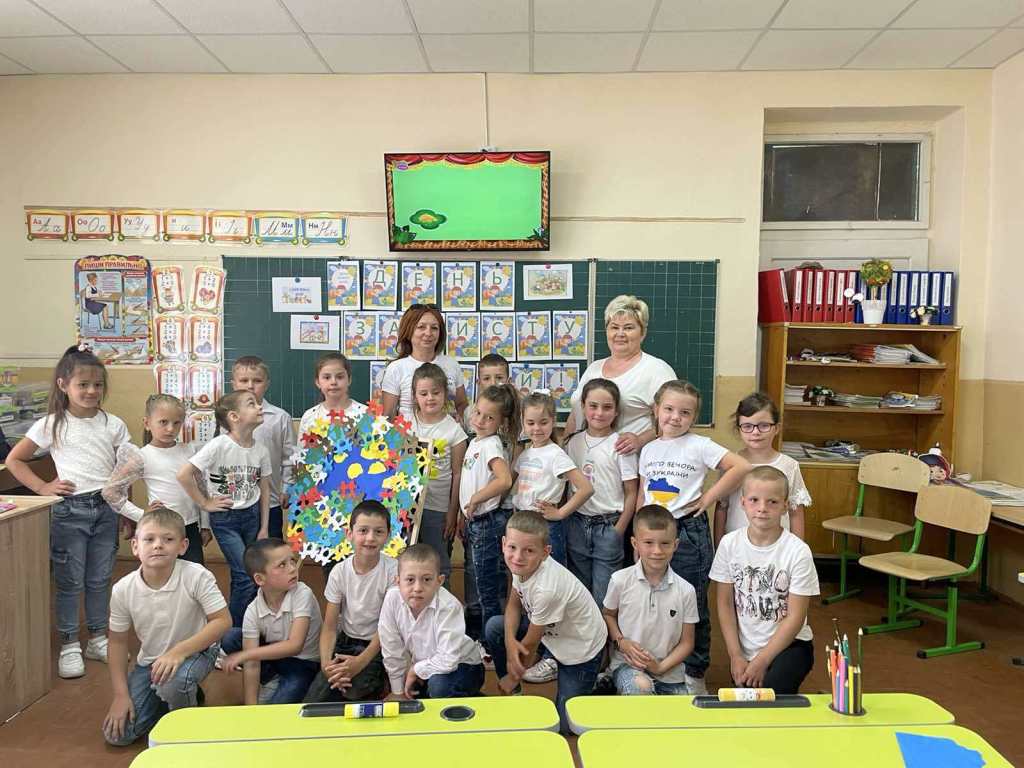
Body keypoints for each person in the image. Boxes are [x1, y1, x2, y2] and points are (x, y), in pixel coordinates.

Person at [5, 345, 131, 678]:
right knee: (70, 582)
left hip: (106, 509)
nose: (91, 391)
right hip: (69, 512)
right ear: (63, 385)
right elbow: (15, 460)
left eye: (97, 385)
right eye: (83, 385)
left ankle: (98, 638)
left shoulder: (114, 424)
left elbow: (125, 471)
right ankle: (69, 643)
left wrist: (126, 510)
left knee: (100, 579)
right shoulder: (52, 424)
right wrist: (42, 487)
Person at [636, 379, 750, 694]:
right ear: (656, 410)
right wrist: (637, 533)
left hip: (687, 531)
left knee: (691, 603)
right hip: (652, 533)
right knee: (655, 599)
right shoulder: (649, 449)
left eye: (685, 412)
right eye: (669, 409)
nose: (675, 417)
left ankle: (695, 672)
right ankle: (660, 664)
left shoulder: (700, 444)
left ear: (694, 417)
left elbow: (740, 466)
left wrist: (708, 497)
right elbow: (643, 494)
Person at [102, 507, 230, 746]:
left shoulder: (196, 575)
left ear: (182, 546)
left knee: (175, 682)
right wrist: (120, 695)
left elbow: (223, 621)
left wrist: (178, 652)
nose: (158, 545)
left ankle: (187, 728)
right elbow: (117, 642)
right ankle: (178, 696)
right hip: (152, 660)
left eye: (168, 539)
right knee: (118, 735)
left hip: (198, 651)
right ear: (135, 546)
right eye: (149, 539)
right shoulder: (123, 589)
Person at [486, 511, 607, 733]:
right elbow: (514, 604)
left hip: (581, 648)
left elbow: (531, 643)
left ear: (545, 552)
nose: (518, 556)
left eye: (529, 551)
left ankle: (596, 683)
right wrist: (510, 642)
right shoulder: (520, 565)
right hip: (552, 632)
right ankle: (517, 690)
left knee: (566, 726)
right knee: (495, 627)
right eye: (512, 547)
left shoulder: (547, 589)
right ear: (504, 544)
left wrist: (512, 676)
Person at [711, 466, 819, 694]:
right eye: (754, 500)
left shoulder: (798, 551)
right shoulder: (729, 544)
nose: (762, 508)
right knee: (746, 700)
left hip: (790, 645)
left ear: (785, 506)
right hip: (746, 649)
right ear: (742, 503)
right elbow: (725, 604)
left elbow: (796, 616)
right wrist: (735, 655)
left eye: (772, 502)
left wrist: (762, 661)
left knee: (768, 696)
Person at [178, 390, 271, 627]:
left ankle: (246, 625)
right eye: (251, 404)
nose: (259, 407)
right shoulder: (218, 445)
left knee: (246, 575)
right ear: (234, 416)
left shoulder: (261, 450)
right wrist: (205, 503)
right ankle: (231, 631)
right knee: (246, 576)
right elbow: (184, 474)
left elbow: (265, 489)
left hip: (252, 517)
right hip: (225, 519)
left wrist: (264, 528)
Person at [102, 394, 212, 564]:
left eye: (176, 423)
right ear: (147, 423)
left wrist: (205, 525)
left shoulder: (190, 451)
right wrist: (141, 515)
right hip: (160, 528)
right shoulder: (142, 456)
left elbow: (201, 489)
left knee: (194, 573)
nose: (170, 429)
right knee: (161, 572)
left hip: (190, 527)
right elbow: (110, 491)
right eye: (163, 422)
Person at [304, 500, 396, 703]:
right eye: (363, 531)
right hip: (346, 642)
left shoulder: (393, 571)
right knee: (315, 698)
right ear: (349, 533)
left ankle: (381, 683)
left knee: (353, 692)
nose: (370, 538)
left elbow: (388, 627)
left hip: (379, 644)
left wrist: (360, 663)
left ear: (388, 536)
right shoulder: (339, 572)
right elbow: (329, 627)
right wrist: (327, 666)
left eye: (378, 532)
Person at [603, 504, 698, 695]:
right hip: (628, 666)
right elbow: (608, 615)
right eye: (648, 543)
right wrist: (621, 642)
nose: (657, 551)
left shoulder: (686, 590)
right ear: (634, 543)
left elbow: (687, 642)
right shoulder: (620, 580)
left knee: (681, 712)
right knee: (641, 687)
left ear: (675, 545)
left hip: (670, 672)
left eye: (665, 543)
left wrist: (660, 667)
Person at [565, 295, 676, 456]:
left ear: (643, 333)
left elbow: (671, 420)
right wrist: (564, 449)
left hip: (627, 462)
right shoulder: (594, 368)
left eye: (629, 328)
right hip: (581, 459)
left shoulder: (656, 370)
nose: (620, 333)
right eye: (614, 327)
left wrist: (640, 440)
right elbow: (575, 414)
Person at [220, 538, 322, 704]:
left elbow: (295, 645)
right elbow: (252, 665)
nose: (292, 568)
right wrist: (251, 707)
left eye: (292, 561)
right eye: (282, 565)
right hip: (273, 656)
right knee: (231, 637)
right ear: (260, 579)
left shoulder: (303, 593)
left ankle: (290, 684)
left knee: (278, 708)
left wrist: (246, 654)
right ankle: (272, 679)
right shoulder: (253, 610)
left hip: (303, 663)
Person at [564, 378, 638, 604]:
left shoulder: (621, 446)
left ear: (616, 412)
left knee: (604, 597)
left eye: (607, 407)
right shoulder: (572, 443)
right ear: (583, 406)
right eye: (593, 406)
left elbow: (631, 492)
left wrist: (619, 529)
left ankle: (606, 630)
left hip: (608, 525)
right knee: (579, 595)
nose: (599, 413)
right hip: (576, 524)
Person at [379, 544, 484, 699]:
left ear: (439, 581)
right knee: (412, 689)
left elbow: (448, 660)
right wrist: (398, 692)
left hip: (464, 666)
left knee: (439, 686)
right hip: (425, 665)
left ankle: (469, 697)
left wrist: (415, 670)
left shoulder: (449, 606)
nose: (417, 588)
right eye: (410, 580)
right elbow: (391, 648)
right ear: (397, 581)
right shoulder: (391, 599)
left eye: (427, 579)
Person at [714, 392, 811, 546]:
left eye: (764, 425)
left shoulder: (789, 465)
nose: (756, 432)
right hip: (737, 547)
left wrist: (797, 550)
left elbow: (795, 512)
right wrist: (719, 547)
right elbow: (721, 508)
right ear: (739, 429)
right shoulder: (731, 464)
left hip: (778, 547)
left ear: (776, 428)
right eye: (747, 426)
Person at [459, 383, 517, 634]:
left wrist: (476, 499)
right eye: (478, 413)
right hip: (476, 522)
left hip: (487, 522)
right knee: (481, 582)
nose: (480, 420)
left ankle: (491, 640)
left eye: (489, 417)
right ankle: (485, 635)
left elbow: (505, 480)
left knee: (487, 587)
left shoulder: (491, 444)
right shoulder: (476, 441)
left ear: (501, 422)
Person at [513, 391, 593, 567]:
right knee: (525, 571)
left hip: (546, 525)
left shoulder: (556, 454)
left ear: (553, 421)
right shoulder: (525, 454)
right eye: (530, 423)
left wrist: (560, 513)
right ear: (523, 422)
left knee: (550, 574)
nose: (537, 428)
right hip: (522, 521)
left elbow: (586, 488)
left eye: (543, 422)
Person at [410, 363, 468, 580]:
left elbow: (458, 474)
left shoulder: (454, 431)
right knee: (408, 561)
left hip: (438, 508)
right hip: (408, 507)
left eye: (436, 392)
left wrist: (452, 512)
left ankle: (443, 601)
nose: (430, 398)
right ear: (414, 396)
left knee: (438, 563)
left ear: (445, 394)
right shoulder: (406, 424)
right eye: (423, 393)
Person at [232, 356, 295, 540]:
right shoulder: (225, 418)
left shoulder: (280, 417)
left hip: (270, 501)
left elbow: (289, 457)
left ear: (267, 384)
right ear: (234, 384)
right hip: (235, 503)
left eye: (257, 381)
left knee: (270, 550)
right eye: (244, 380)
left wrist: (287, 487)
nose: (250, 386)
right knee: (242, 553)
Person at [380, 304, 468, 421]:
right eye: (421, 327)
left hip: (448, 431)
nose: (428, 333)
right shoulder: (396, 368)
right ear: (408, 331)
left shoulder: (451, 364)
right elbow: (388, 416)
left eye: (434, 328)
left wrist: (460, 418)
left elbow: (462, 404)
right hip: (409, 432)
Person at [295, 352, 367, 440]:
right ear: (318, 382)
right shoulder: (309, 417)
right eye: (327, 377)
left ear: (349, 380)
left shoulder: (365, 414)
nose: (333, 382)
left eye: (340, 377)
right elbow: (302, 448)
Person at [462, 353, 510, 435]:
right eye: (487, 378)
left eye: (499, 378)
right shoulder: (469, 412)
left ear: (508, 381)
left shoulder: (517, 412)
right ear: (479, 383)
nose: (493, 383)